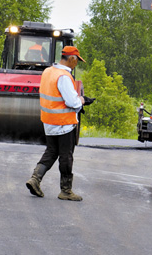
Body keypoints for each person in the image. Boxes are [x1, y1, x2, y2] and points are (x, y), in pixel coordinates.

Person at [26, 46, 94, 201]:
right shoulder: (63, 76)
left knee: (51, 151)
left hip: (49, 122)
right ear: (71, 58)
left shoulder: (48, 71)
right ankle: (66, 191)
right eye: (76, 61)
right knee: (66, 156)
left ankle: (35, 179)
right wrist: (82, 101)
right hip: (64, 124)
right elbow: (72, 101)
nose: (76, 64)